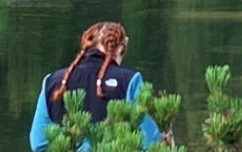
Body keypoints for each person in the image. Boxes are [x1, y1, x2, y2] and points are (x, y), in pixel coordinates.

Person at [28, 21, 161, 150]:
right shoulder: (130, 80)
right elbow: (150, 140)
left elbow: (38, 142)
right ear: (119, 49)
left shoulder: (52, 81)